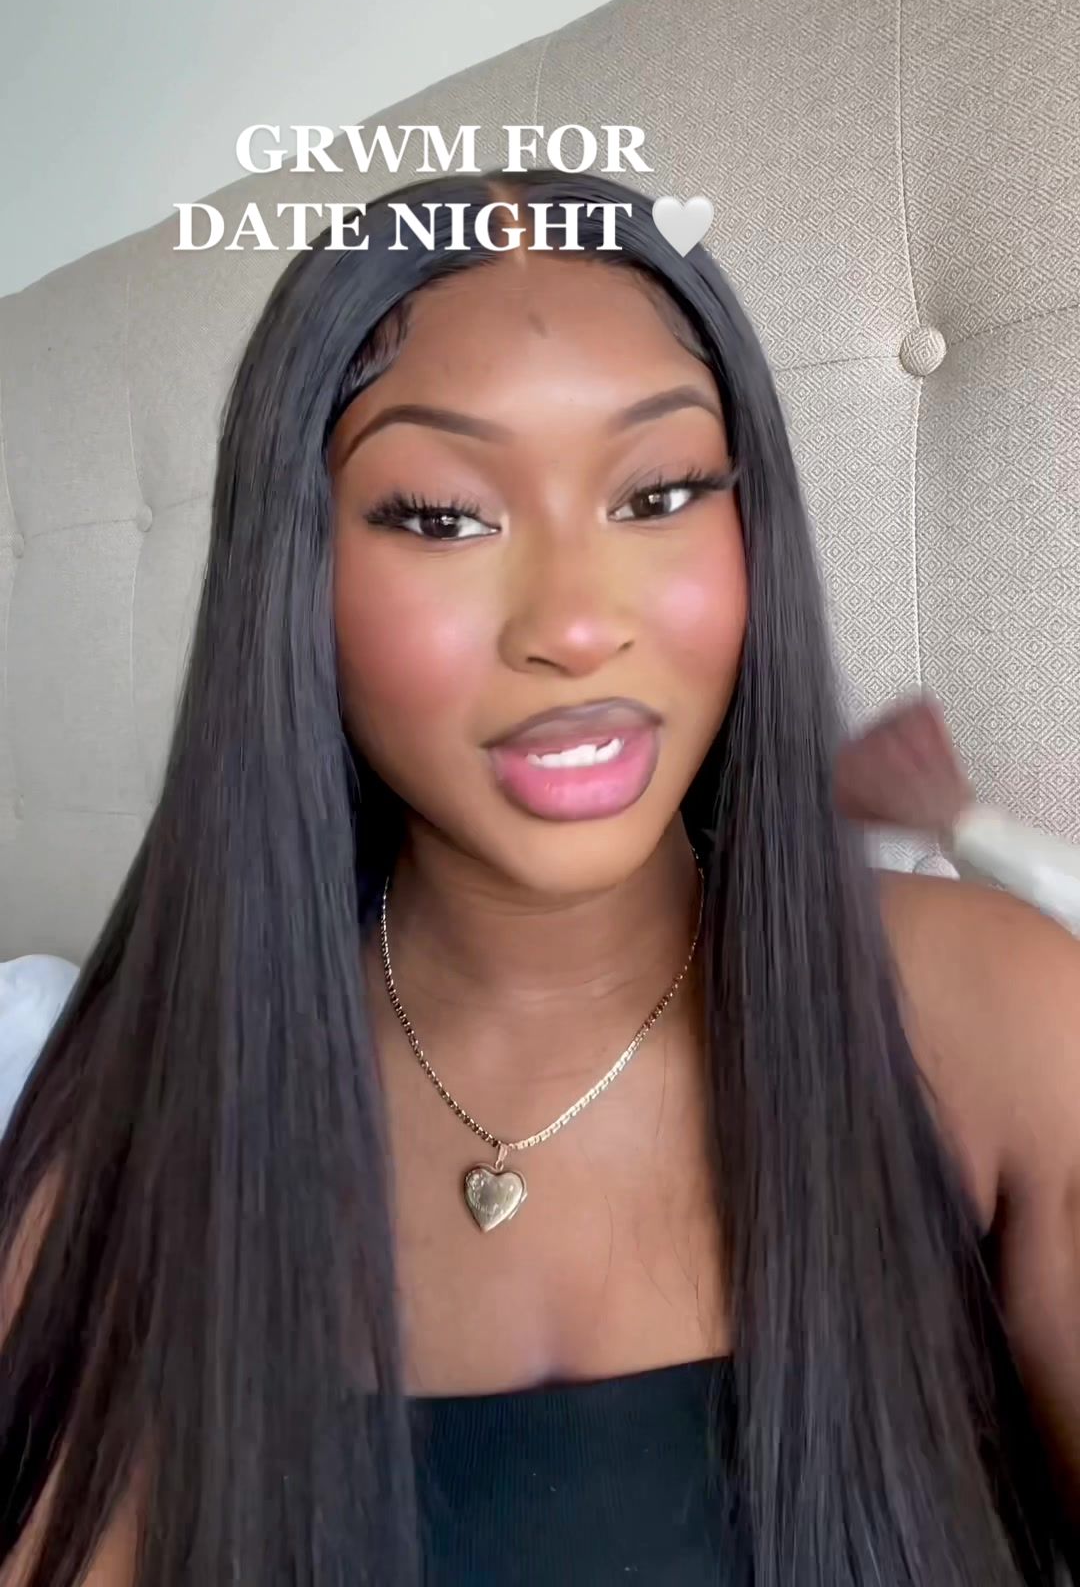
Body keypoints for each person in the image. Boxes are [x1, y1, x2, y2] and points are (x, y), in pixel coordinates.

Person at [1, 169, 1078, 1587]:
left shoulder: (997, 1017)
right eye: (444, 517)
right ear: (292, 576)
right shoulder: (128, 1149)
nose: (575, 625)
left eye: (661, 494)